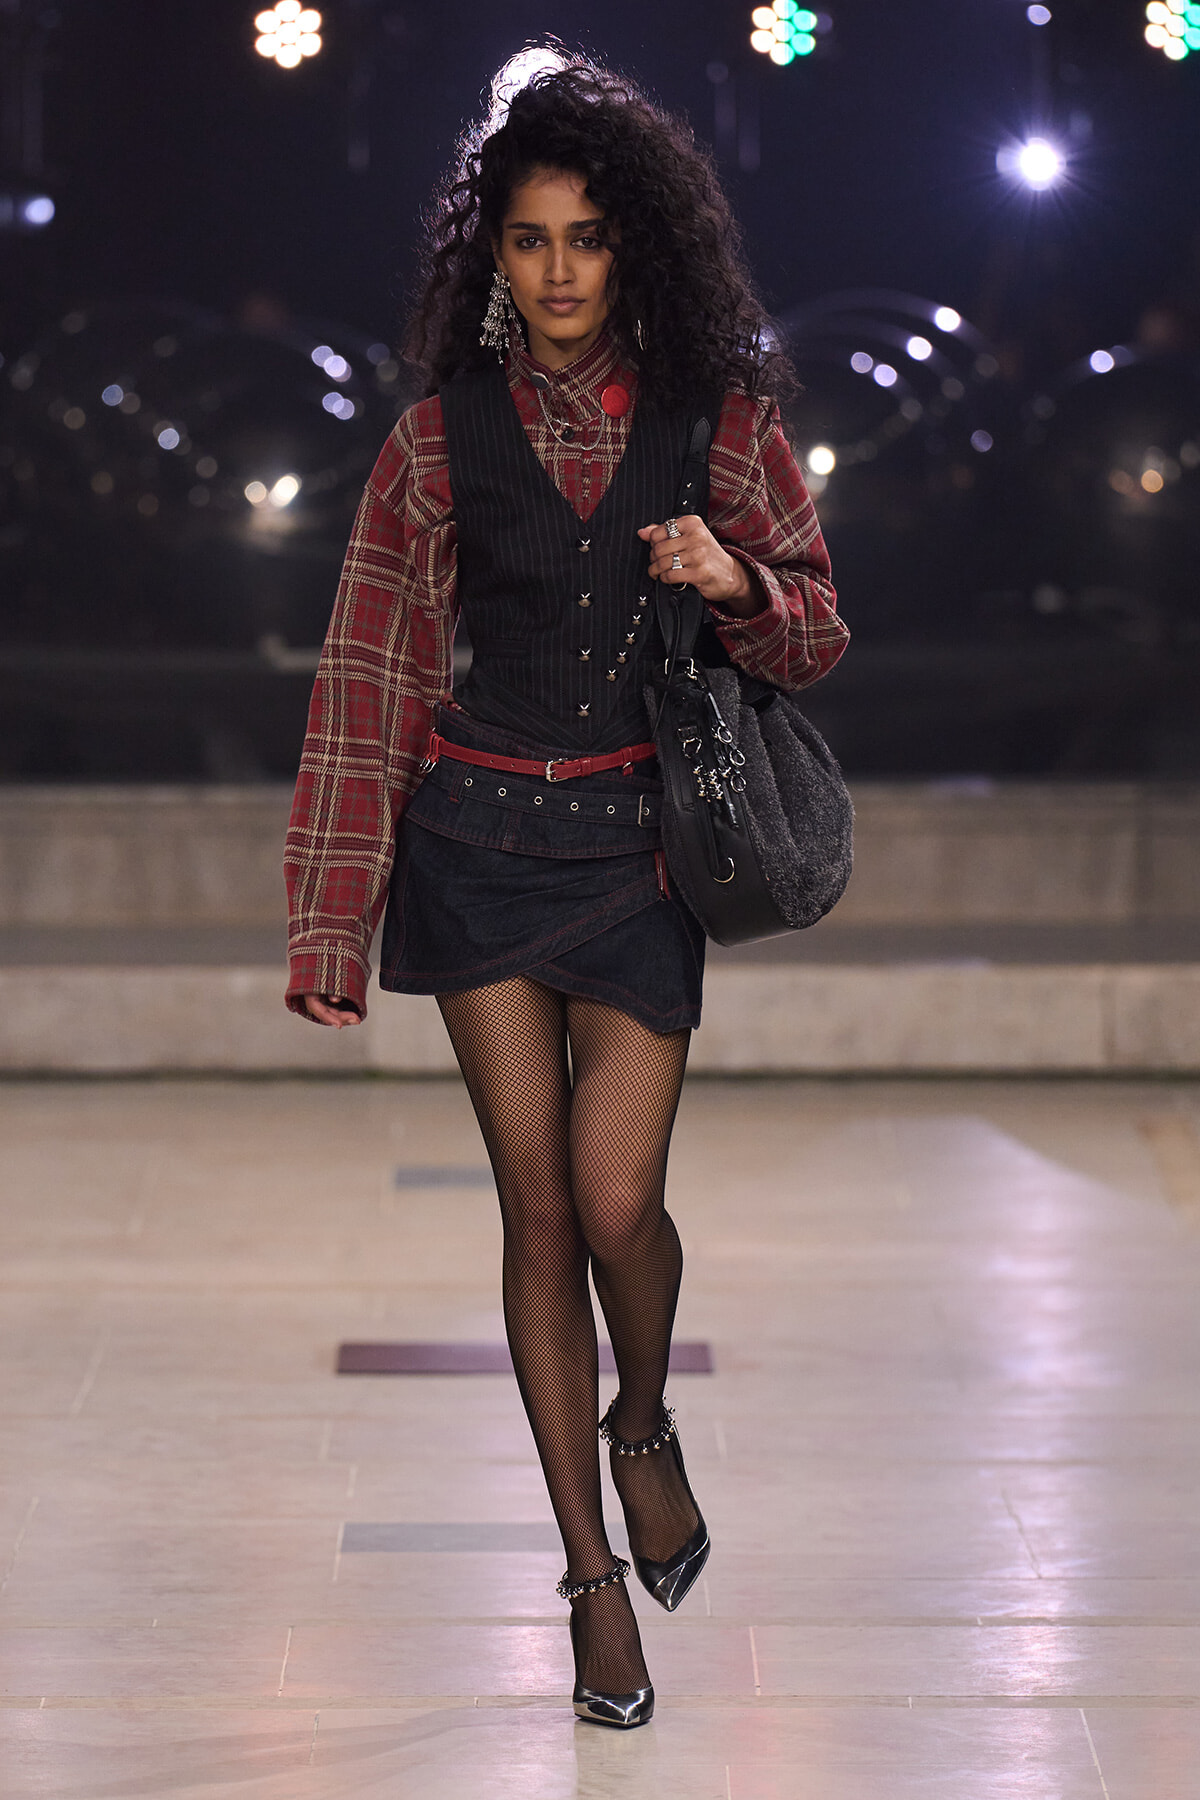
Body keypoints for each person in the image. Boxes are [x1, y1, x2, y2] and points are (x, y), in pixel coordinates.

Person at [284, 54, 848, 1728]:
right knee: (538, 1215)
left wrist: (734, 572)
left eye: (587, 239)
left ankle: (646, 1415)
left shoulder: (718, 421)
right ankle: (592, 1585)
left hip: (635, 852)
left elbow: (816, 629)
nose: (556, 272)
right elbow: (369, 673)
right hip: (475, 848)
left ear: (634, 251)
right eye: (527, 241)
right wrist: (332, 917)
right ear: (492, 258)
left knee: (618, 1208)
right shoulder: (432, 443)